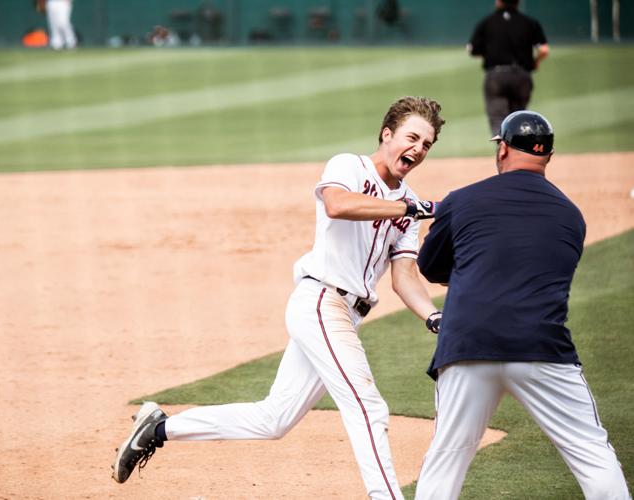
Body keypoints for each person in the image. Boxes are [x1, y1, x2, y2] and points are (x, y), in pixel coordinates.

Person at [111, 96, 447, 499]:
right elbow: (337, 204)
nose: (418, 149)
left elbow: (404, 276)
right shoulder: (349, 166)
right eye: (412, 137)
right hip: (322, 303)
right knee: (368, 407)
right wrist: (411, 206)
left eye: (427, 144)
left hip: (344, 315)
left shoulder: (406, 207)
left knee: (274, 419)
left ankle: (159, 427)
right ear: (386, 133)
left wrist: (432, 316)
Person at [414, 111, 631, 500]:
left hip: (467, 345)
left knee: (445, 460)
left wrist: (470, 270)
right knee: (592, 453)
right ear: (548, 155)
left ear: (502, 150)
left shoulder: (460, 200)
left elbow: (430, 268)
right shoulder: (571, 215)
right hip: (542, 347)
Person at [468, 0, 549, 135]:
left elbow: (472, 50)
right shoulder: (529, 22)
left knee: (497, 118)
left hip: (496, 75)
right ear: (518, 2)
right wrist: (536, 61)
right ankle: (519, 152)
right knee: (518, 119)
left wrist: (490, 54)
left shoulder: (487, 22)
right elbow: (544, 50)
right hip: (522, 76)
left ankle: (503, 151)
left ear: (498, 2)